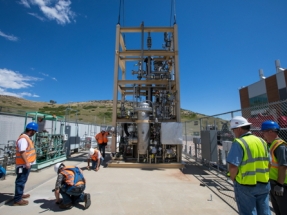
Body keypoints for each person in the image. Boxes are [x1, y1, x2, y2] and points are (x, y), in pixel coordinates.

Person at [226, 116, 270, 215]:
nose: (233, 132)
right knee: (265, 212)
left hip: (245, 185)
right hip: (264, 183)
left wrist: (234, 179)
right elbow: (269, 163)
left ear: (239, 129)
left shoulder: (239, 142)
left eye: (233, 130)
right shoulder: (262, 141)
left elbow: (233, 166)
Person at [261, 120, 287, 215]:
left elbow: (283, 166)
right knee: (278, 210)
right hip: (273, 183)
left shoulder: (280, 146)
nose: (263, 134)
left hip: (281, 184)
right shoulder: (271, 145)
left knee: (284, 210)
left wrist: (280, 185)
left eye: (263, 132)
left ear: (270, 132)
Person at [13, 122, 38, 206]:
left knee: (22, 180)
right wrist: (27, 162)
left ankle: (20, 194)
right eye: (34, 131)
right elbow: (22, 152)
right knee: (20, 181)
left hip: (24, 164)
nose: (34, 133)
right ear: (31, 130)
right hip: (23, 165)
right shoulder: (23, 139)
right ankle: (17, 199)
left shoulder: (26, 138)